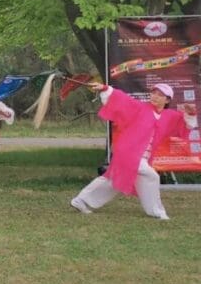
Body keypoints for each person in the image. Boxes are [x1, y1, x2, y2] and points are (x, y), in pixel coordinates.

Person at [71, 81, 197, 220]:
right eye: (153, 92)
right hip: (128, 152)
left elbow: (186, 125)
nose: (154, 96)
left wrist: (191, 113)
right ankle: (157, 211)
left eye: (160, 95)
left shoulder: (170, 116)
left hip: (142, 158)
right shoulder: (139, 107)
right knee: (152, 176)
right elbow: (122, 99)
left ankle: (80, 200)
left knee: (113, 180)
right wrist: (105, 88)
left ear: (167, 100)